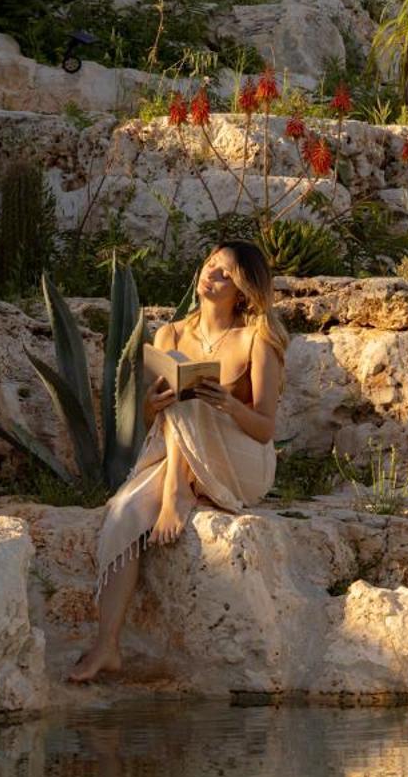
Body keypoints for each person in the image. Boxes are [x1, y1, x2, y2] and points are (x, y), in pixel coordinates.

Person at [67, 240, 287, 684]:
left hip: (242, 459)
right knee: (126, 512)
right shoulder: (170, 335)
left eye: (225, 272)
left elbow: (264, 429)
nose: (212, 274)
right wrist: (151, 404)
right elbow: (158, 419)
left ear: (243, 289)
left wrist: (228, 403)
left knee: (193, 403)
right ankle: (106, 645)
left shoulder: (256, 339)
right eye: (209, 264)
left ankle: (175, 495)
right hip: (182, 456)